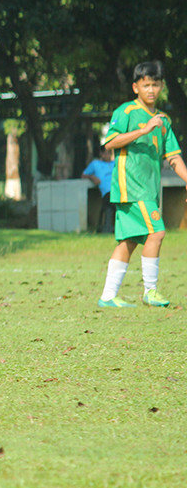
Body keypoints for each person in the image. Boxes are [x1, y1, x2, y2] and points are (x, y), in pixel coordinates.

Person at [97, 60, 187, 308]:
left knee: (129, 241)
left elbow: (174, 157)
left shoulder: (164, 120)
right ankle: (150, 291)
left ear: (161, 87)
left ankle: (107, 296)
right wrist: (143, 130)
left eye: (155, 85)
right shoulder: (126, 112)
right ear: (136, 87)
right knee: (157, 232)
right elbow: (110, 142)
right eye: (146, 85)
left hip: (148, 190)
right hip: (131, 188)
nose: (151, 90)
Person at [82, 144, 115, 232]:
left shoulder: (115, 163)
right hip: (107, 193)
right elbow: (84, 175)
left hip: (118, 191)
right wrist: (92, 177)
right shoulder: (95, 164)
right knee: (111, 202)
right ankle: (107, 228)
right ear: (101, 154)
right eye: (105, 153)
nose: (107, 155)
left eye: (109, 153)